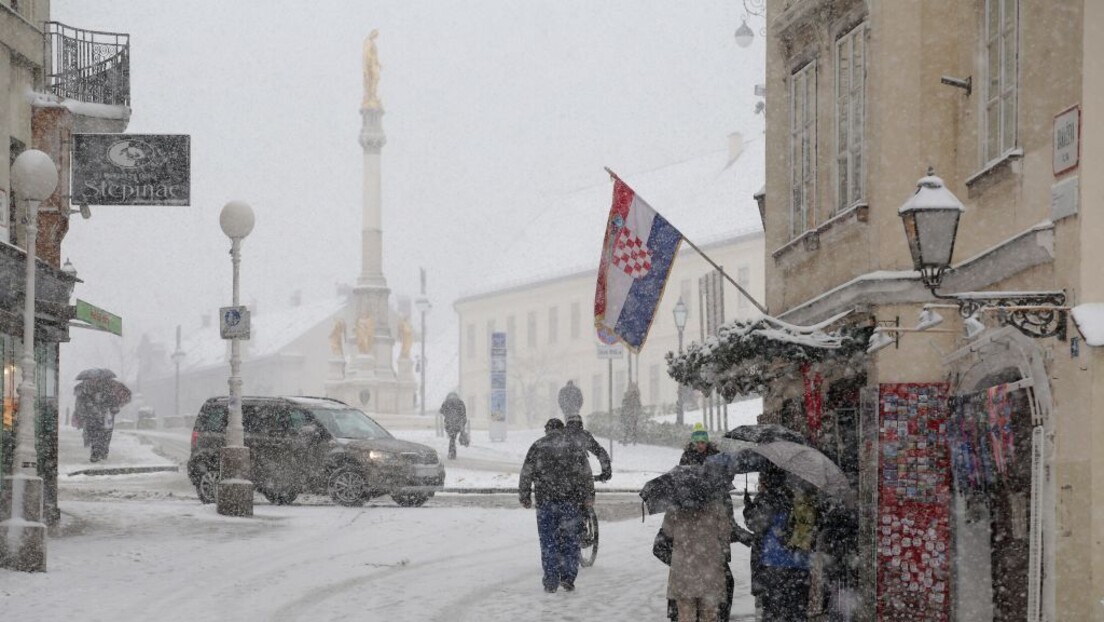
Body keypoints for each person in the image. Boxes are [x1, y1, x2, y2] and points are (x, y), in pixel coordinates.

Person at [518, 418, 595, 593]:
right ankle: (568, 577)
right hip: (571, 501)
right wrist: (588, 496)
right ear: (562, 430)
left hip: (546, 502)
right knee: (570, 540)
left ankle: (551, 580)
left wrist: (525, 495)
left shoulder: (538, 446)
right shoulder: (574, 446)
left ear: (547, 430)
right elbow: (585, 473)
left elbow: (527, 472)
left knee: (548, 542)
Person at [744, 467, 815, 621]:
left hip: (773, 563)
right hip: (800, 562)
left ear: (765, 481)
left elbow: (756, 525)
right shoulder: (799, 497)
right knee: (797, 612)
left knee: (774, 612)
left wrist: (748, 508)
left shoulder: (766, 498)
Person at [661, 491, 732, 622]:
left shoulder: (675, 507)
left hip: (683, 570)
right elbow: (725, 532)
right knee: (709, 616)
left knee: (685, 616)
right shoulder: (716, 506)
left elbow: (667, 531)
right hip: (710, 569)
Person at [563, 412, 612, 482]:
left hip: (564, 474)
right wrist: (606, 473)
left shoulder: (561, 435)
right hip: (582, 473)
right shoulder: (584, 436)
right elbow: (601, 452)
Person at [439, 393, 467, 459]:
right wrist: (462, 424)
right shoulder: (460, 402)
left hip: (449, 423)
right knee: (453, 438)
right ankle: (452, 453)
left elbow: (441, 411)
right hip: (458, 423)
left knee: (452, 438)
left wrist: (448, 415)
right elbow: (463, 413)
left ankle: (452, 453)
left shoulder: (446, 402)